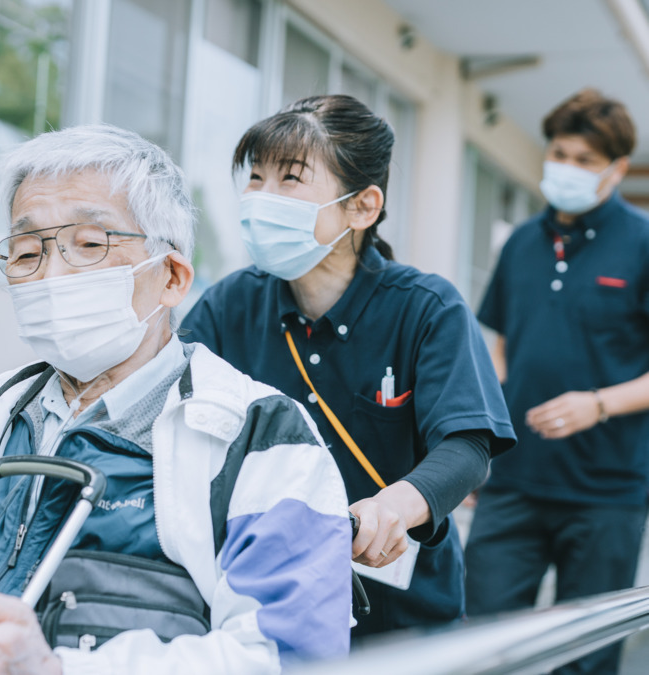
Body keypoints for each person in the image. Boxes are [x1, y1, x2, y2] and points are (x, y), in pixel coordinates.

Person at [0, 124, 353, 675]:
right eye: (26, 253)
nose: (51, 274)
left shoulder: (259, 437)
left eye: (89, 243)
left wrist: (56, 668)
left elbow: (293, 654)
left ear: (172, 277)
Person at [181, 94, 516, 638]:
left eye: (290, 179)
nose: (262, 198)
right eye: (256, 177)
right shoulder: (228, 305)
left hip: (397, 614)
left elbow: (467, 446)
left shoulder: (427, 309)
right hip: (258, 604)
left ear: (362, 207)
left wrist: (397, 505)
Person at [464, 89, 649, 675]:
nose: (567, 168)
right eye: (560, 153)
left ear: (617, 169)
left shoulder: (643, 244)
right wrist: (477, 446)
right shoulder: (520, 244)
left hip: (607, 494)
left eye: (585, 160)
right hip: (514, 484)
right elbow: (499, 352)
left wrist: (597, 404)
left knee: (586, 660)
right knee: (482, 643)